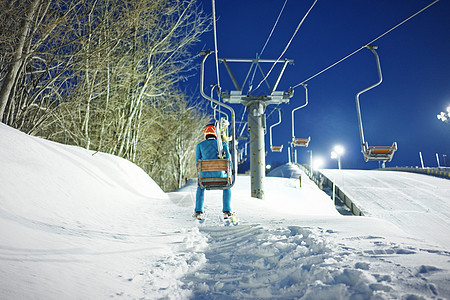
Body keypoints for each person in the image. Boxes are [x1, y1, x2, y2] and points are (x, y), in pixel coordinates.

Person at [194, 124, 232, 220]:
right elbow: (228, 161)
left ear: (205, 134)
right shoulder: (223, 145)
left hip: (205, 177)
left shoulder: (200, 145)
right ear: (215, 134)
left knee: (200, 187)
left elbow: (197, 163)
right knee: (227, 186)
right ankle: (227, 210)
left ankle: (198, 211)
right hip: (220, 176)